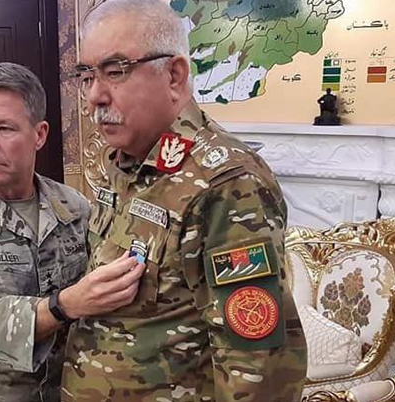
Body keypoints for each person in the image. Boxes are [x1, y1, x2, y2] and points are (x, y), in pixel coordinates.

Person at [61, 1, 307, 401]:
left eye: (115, 71)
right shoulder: (125, 162)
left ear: (174, 75)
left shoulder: (227, 184)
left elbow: (257, 364)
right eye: (86, 76)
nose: (94, 97)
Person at [0, 62, 145, 402]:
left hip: (71, 390)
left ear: (39, 135)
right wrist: (65, 305)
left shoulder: (74, 207)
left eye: (4, 128)